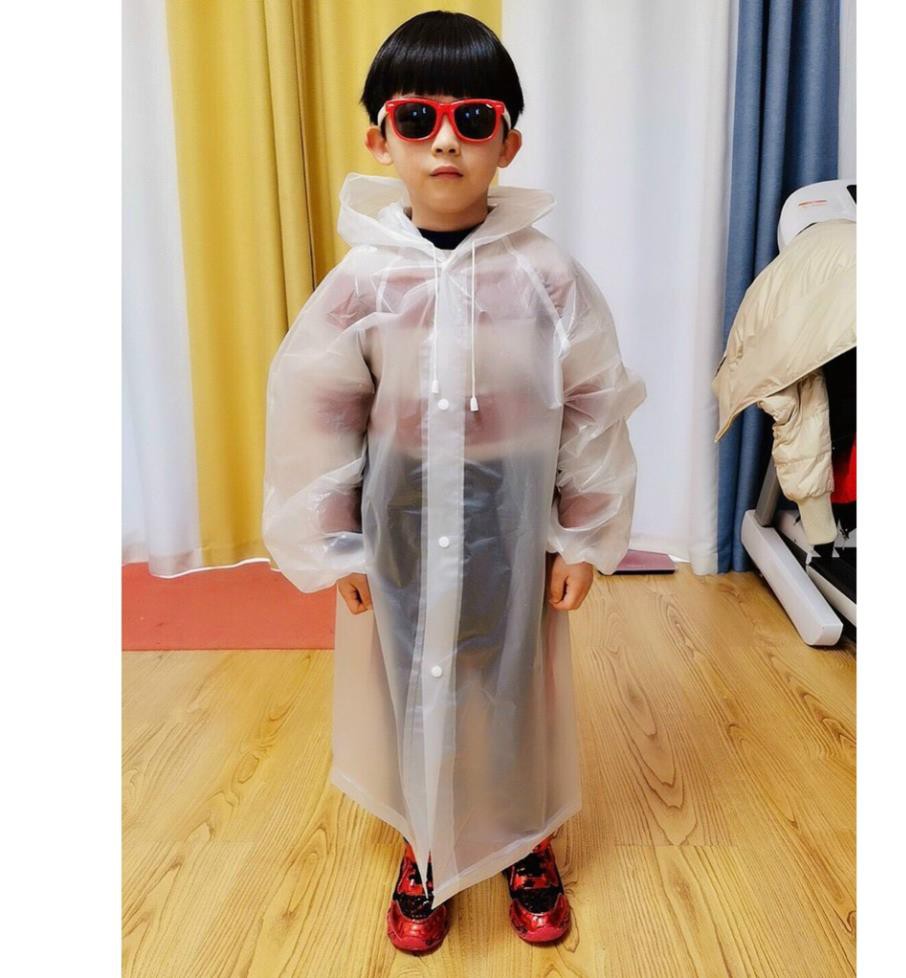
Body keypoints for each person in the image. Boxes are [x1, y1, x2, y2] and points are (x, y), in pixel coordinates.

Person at [262, 10, 646, 955]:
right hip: (397, 512)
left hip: (511, 512)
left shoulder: (546, 278)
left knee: (510, 674)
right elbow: (318, 410)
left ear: (508, 142)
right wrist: (335, 545)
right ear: (379, 138)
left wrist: (582, 534)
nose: (445, 141)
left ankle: (522, 836)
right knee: (408, 678)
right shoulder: (362, 284)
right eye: (417, 117)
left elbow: (593, 402)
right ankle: (425, 840)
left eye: (474, 119)